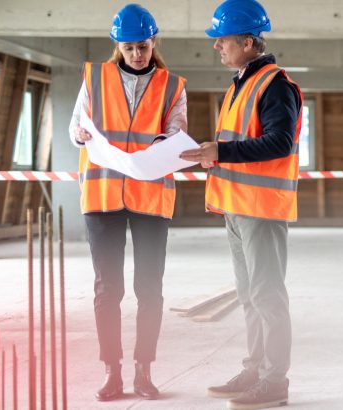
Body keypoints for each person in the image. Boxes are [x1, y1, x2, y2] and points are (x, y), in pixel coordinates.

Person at [178, 0, 301, 408]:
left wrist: (221, 151)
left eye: (223, 40)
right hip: (237, 207)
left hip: (260, 209)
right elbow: (239, 142)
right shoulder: (240, 84)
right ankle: (255, 369)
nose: (216, 46)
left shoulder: (275, 84)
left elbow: (279, 142)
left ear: (248, 43)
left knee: (267, 296)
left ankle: (274, 382)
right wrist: (212, 154)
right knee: (249, 297)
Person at [68, 3, 187, 401]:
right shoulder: (95, 78)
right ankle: (112, 372)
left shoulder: (172, 85)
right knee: (108, 289)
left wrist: (165, 143)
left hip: (150, 195)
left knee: (149, 288)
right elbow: (76, 126)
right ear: (117, 45)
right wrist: (79, 135)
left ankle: (143, 371)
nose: (137, 54)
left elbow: (177, 131)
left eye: (143, 46)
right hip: (103, 195)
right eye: (129, 47)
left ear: (154, 42)